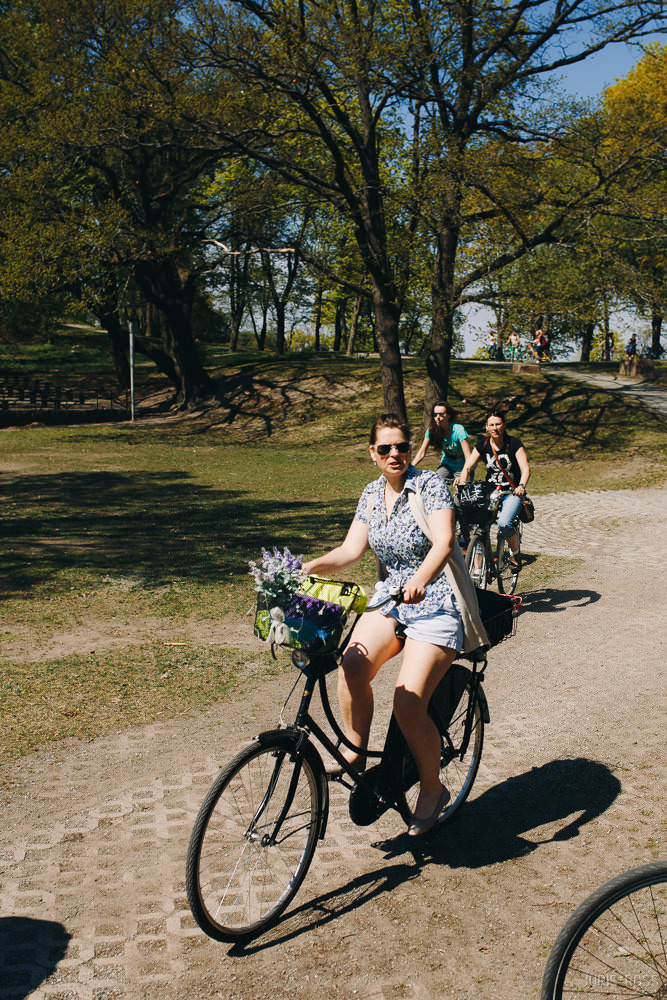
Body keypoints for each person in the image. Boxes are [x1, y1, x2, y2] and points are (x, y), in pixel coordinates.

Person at [304, 414, 465, 837]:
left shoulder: (430, 485)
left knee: (407, 704)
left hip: (436, 601)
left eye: (401, 447)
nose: (395, 454)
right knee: (351, 666)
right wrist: (309, 566)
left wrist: (421, 579)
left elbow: (444, 542)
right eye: (385, 448)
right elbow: (350, 550)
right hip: (394, 598)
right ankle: (356, 750)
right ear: (372, 453)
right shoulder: (371, 494)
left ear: (410, 449)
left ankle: (433, 789)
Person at [454, 408, 530, 570]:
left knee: (504, 523)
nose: (495, 428)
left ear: (504, 425)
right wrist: (462, 479)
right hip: (490, 492)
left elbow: (525, 468)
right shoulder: (483, 444)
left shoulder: (514, 443)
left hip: (511, 492)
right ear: (486, 427)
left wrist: (521, 486)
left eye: (498, 424)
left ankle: (515, 553)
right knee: (480, 528)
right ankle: (477, 571)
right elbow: (468, 466)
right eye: (491, 425)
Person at [412, 401, 472, 485]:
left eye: (441, 414)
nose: (438, 417)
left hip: (463, 466)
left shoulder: (459, 430)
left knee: (460, 490)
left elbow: (468, 457)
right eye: (435, 415)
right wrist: (410, 467)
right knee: (434, 484)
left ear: (448, 415)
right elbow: (422, 452)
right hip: (447, 465)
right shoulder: (431, 430)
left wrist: (463, 476)